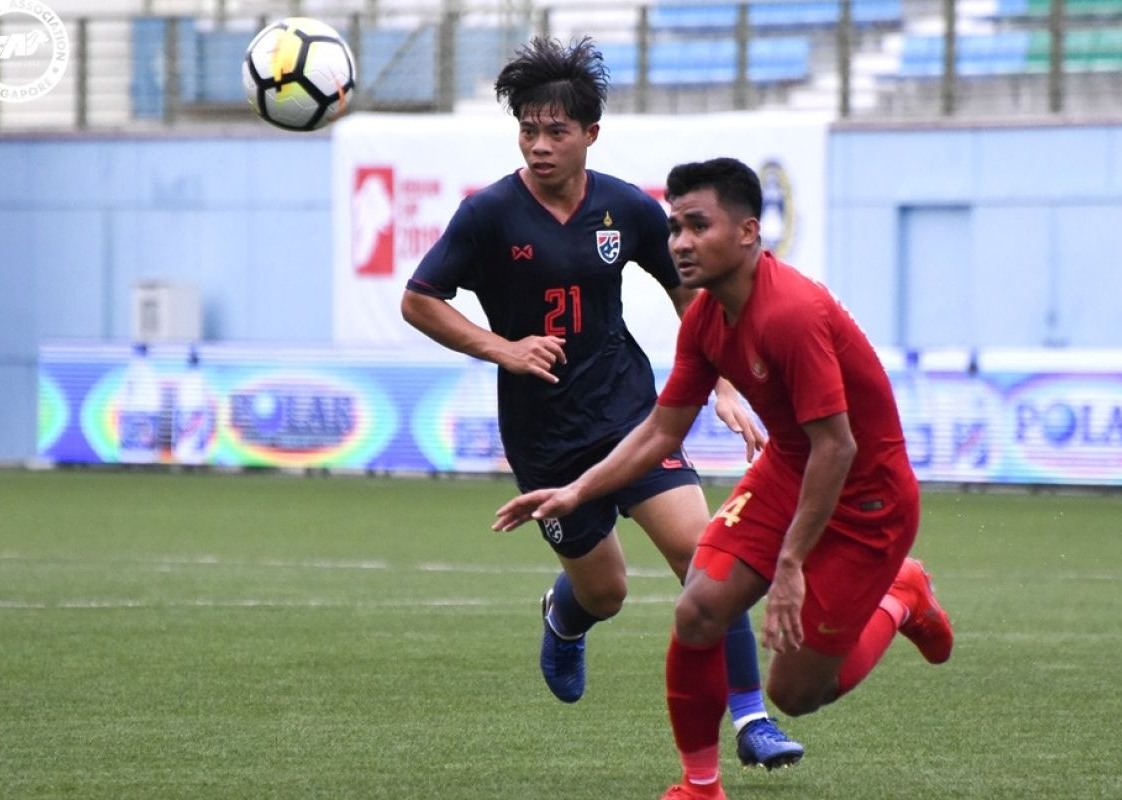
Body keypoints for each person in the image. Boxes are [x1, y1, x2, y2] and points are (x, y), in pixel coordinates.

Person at [494, 157, 954, 800]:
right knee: (701, 606)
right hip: (791, 470)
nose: (678, 241)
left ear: (747, 233)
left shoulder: (790, 312)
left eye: (696, 225)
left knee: (797, 693)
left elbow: (838, 447)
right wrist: (577, 491)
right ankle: (700, 786)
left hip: (867, 498)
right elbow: (660, 433)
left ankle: (902, 596)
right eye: (675, 226)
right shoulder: (707, 318)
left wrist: (790, 565)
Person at [400, 39, 803, 769]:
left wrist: (720, 381)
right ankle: (564, 617)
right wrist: (505, 347)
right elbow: (418, 301)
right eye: (528, 129)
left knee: (706, 556)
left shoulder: (626, 208)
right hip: (545, 434)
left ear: (591, 133)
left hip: (632, 414)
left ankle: (751, 718)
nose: (540, 144)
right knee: (607, 591)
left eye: (557, 131)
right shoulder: (488, 213)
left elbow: (691, 293)